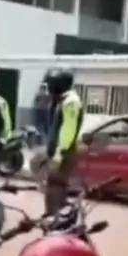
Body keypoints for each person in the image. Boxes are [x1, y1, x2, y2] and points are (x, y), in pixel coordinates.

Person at [43, 69, 83, 215]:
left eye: (51, 84)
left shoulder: (70, 102)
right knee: (53, 187)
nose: (48, 88)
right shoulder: (61, 100)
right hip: (58, 152)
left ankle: (56, 218)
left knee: (56, 189)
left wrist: (58, 156)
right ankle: (53, 216)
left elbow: (68, 131)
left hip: (63, 153)